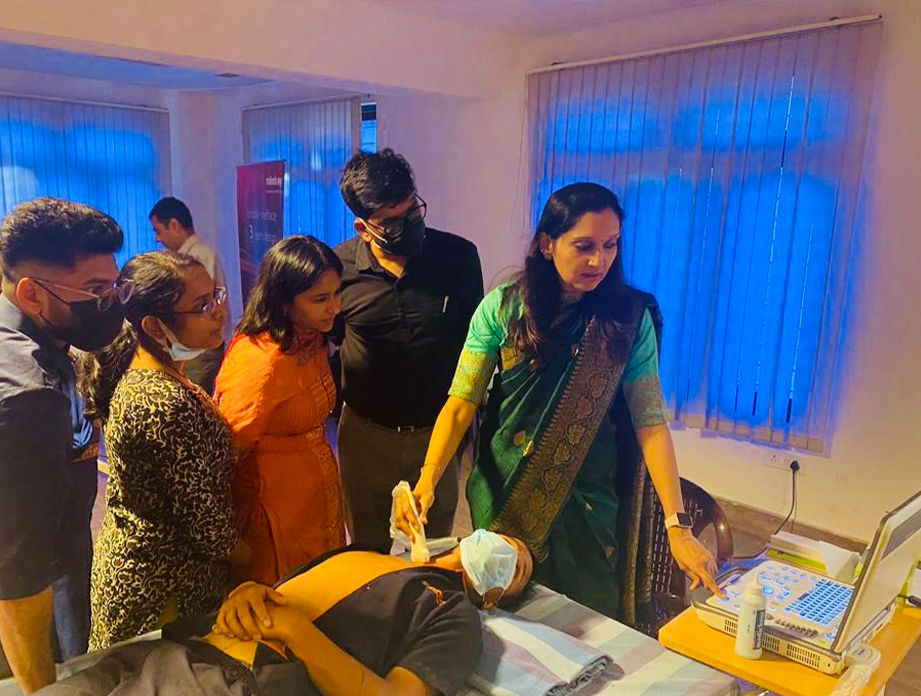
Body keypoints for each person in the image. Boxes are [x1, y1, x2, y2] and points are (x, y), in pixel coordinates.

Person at [396, 183, 723, 625]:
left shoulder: (627, 318)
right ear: (547, 244)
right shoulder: (503, 308)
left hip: (588, 499)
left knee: (588, 621)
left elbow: (649, 422)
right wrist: (428, 479)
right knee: (504, 610)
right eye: (584, 246)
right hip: (506, 490)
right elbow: (461, 403)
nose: (599, 261)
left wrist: (677, 526)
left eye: (610, 245)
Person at [0, 198, 129, 695]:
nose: (110, 303)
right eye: (95, 290)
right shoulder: (23, 396)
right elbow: (19, 579)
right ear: (32, 293)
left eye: (114, 285)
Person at [35, 531, 534, 696]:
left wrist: (296, 631)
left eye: (518, 566)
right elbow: (278, 592)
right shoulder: (371, 553)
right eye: (505, 539)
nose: (507, 548)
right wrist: (246, 592)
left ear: (494, 599)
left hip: (234, 682)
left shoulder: (454, 615)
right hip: (176, 650)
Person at [80, 251, 248, 651]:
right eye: (201, 306)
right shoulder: (161, 402)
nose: (219, 312)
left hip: (164, 570)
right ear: (154, 326)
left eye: (216, 296)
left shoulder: (159, 370)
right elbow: (208, 528)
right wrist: (258, 558)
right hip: (161, 585)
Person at [333, 149, 484, 552]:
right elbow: (329, 341)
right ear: (363, 228)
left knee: (432, 548)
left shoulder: (458, 258)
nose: (409, 225)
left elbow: (473, 344)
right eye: (391, 221)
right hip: (366, 434)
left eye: (412, 211)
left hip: (436, 433)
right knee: (366, 548)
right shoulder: (337, 270)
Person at [215, 236, 344, 586]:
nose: (335, 307)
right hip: (274, 507)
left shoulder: (312, 337)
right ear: (284, 302)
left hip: (315, 498)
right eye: (321, 299)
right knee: (285, 595)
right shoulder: (261, 361)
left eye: (337, 293)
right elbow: (227, 452)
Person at [150, 197, 230, 394]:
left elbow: (201, 307)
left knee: (192, 398)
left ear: (174, 225)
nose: (157, 239)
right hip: (187, 346)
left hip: (198, 348)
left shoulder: (199, 257)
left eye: (158, 231)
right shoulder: (187, 257)